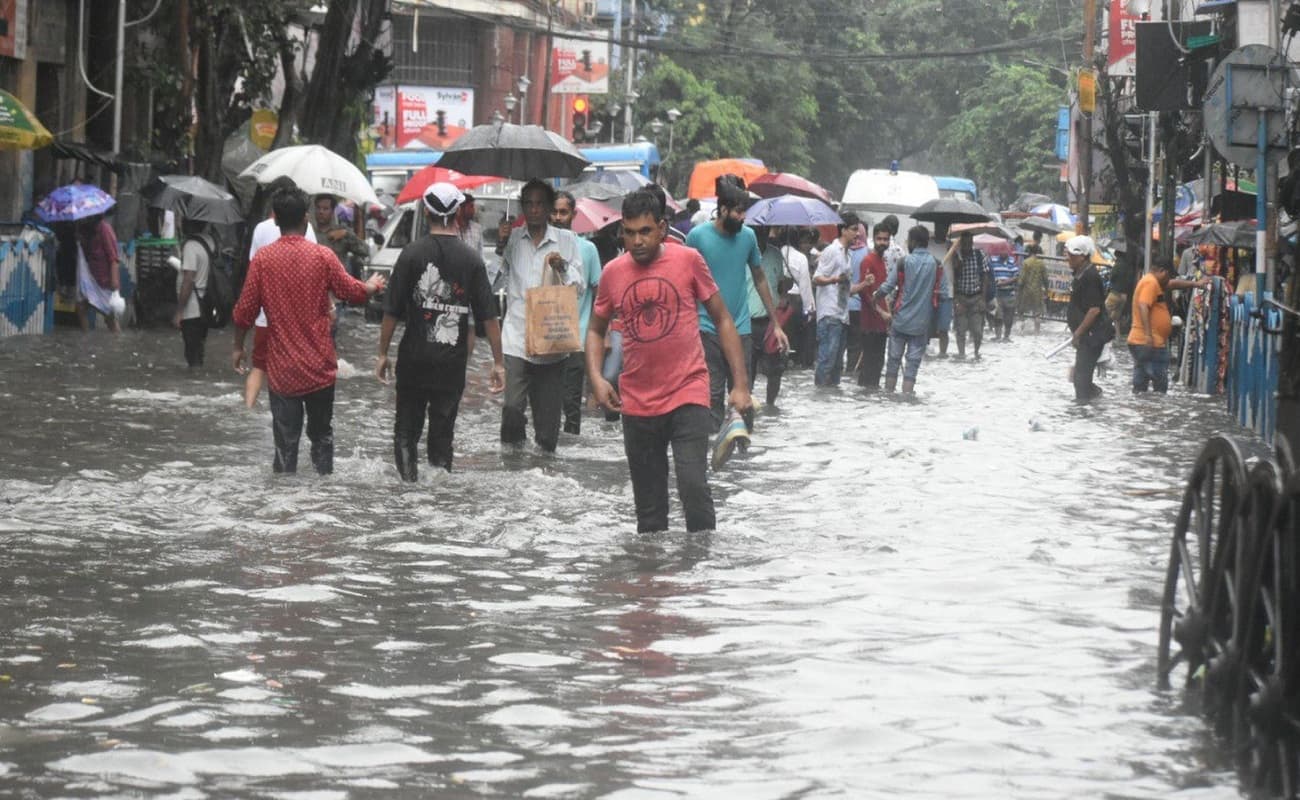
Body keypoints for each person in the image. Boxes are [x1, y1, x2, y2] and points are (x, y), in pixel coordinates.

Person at [586, 189, 751, 533]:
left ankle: (702, 572)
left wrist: (740, 385)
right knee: (649, 513)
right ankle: (652, 580)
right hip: (637, 403)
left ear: (662, 228)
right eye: (629, 233)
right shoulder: (613, 273)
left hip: (688, 393)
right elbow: (595, 329)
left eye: (645, 231)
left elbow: (722, 319)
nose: (637, 241)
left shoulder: (688, 260)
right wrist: (598, 379)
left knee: (693, 487)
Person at [231, 187, 385, 474]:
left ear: (276, 221)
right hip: (320, 367)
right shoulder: (322, 256)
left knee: (285, 447)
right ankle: (322, 500)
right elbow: (351, 291)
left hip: (283, 370)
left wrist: (239, 347)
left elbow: (244, 312)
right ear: (306, 219)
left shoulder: (263, 260)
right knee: (322, 439)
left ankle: (283, 507)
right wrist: (372, 287)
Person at [377, 183, 505, 479]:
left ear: (427, 211)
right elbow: (489, 316)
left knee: (406, 432)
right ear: (458, 212)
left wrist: (382, 353)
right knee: (442, 434)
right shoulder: (472, 260)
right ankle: (438, 493)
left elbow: (391, 312)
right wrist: (498, 363)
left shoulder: (410, 254)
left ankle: (409, 490)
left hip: (413, 359)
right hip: (451, 362)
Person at [685, 177, 788, 424]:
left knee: (744, 399)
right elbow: (684, 281)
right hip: (706, 329)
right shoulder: (697, 237)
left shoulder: (748, 237)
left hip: (741, 330)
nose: (743, 218)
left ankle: (743, 457)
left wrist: (776, 324)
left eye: (745, 213)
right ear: (723, 210)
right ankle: (712, 456)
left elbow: (760, 278)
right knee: (712, 396)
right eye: (739, 212)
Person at [496, 178, 585, 453]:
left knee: (547, 435)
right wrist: (500, 247)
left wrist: (563, 266)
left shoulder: (567, 241)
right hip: (515, 339)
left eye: (540, 204)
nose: (534, 210)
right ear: (523, 207)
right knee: (511, 408)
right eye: (529, 204)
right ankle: (512, 463)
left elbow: (578, 288)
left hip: (551, 342)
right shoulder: (512, 238)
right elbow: (494, 282)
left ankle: (540, 470)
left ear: (549, 208)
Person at [246, 179, 318, 408]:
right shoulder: (308, 230)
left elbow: (253, 273)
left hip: (265, 316)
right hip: (297, 319)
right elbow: (315, 268)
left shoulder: (260, 229)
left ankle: (248, 409)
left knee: (259, 367)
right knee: (298, 369)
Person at [549, 189, 603, 435]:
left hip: (576, 338)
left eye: (563, 212)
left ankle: (569, 451)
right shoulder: (540, 246)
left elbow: (599, 293)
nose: (558, 217)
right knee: (544, 401)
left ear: (573, 214)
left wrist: (602, 333)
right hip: (545, 335)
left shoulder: (588, 249)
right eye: (555, 211)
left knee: (571, 401)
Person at [1127, 257, 1209, 394]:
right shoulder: (1150, 283)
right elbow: (1143, 306)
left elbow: (1172, 284)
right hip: (1150, 342)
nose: (1169, 280)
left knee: (1141, 386)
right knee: (1160, 387)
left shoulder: (1153, 282)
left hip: (1142, 341)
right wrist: (1148, 335)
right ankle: (1156, 413)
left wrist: (1195, 284)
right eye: (1168, 276)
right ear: (1162, 271)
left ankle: (1143, 411)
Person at [874, 225, 938, 396]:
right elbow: (939, 293)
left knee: (893, 362)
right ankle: (907, 400)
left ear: (914, 242)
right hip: (921, 323)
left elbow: (888, 286)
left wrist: (875, 296)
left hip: (901, 320)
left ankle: (888, 397)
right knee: (912, 366)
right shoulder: (934, 264)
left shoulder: (905, 262)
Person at [811, 214, 858, 387]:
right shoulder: (832, 250)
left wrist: (864, 285)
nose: (857, 234)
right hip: (829, 314)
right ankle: (820, 396)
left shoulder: (848, 256)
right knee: (827, 361)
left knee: (837, 365)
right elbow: (816, 278)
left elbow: (847, 289)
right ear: (843, 230)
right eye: (853, 230)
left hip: (842, 315)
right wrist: (834, 280)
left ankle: (832, 403)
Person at [1064, 235, 1111, 403]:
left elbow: (1094, 310)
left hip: (1092, 336)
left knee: (1081, 380)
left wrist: (1078, 333)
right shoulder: (1081, 274)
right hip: (1086, 336)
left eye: (1071, 255)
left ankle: (1087, 407)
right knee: (1079, 377)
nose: (1067, 258)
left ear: (1082, 256)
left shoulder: (1090, 276)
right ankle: (1091, 404)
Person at [854, 223, 891, 390]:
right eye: (880, 239)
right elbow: (865, 294)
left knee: (878, 364)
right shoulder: (867, 261)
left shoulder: (883, 261)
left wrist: (887, 315)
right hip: (869, 324)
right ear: (873, 239)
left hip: (882, 324)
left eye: (886, 239)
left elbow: (882, 293)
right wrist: (881, 312)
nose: (882, 242)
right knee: (869, 365)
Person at [172, 218, 212, 368]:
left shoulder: (190, 246)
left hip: (192, 308)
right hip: (206, 304)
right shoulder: (210, 241)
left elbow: (188, 279)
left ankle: (193, 385)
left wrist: (179, 311)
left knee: (192, 356)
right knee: (199, 350)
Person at [75, 213, 121, 333]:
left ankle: (116, 341)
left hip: (104, 280)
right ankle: (86, 339)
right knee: (81, 307)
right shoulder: (86, 230)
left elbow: (114, 258)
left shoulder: (104, 229)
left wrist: (114, 281)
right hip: (90, 277)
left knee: (110, 317)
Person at [951, 232, 990, 359]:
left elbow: (985, 277)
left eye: (969, 243)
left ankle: (976, 353)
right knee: (960, 331)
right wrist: (956, 301)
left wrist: (983, 300)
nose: (966, 246)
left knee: (978, 331)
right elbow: (952, 280)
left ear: (972, 242)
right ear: (961, 243)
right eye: (964, 243)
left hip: (976, 297)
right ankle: (961, 354)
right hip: (961, 297)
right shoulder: (956, 256)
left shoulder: (979, 255)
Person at [312, 195, 370, 278]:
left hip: (338, 284)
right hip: (316, 282)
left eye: (325, 209)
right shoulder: (309, 232)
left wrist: (346, 234)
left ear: (332, 211)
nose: (321, 212)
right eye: (318, 208)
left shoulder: (342, 232)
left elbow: (365, 251)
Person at [1017, 243, 1048, 334]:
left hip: (1026, 291)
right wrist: (1046, 289)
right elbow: (1045, 279)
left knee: (1021, 312)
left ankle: (1021, 331)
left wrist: (1018, 289)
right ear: (1038, 252)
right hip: (1037, 291)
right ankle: (1036, 332)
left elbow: (1021, 279)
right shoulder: (1041, 263)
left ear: (1029, 252)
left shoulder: (1026, 262)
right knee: (1037, 313)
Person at [990, 250, 1019, 342]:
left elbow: (1016, 277)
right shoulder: (993, 260)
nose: (1003, 252)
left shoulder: (1012, 261)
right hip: (997, 293)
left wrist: (1003, 283)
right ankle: (998, 336)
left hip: (1009, 293)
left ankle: (1006, 336)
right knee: (997, 316)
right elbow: (989, 273)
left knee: (1009, 317)